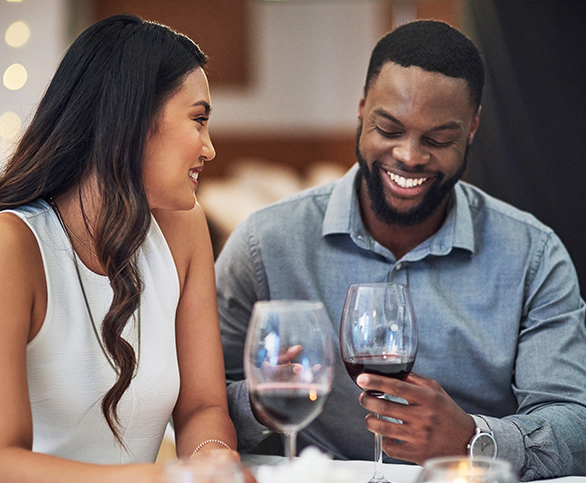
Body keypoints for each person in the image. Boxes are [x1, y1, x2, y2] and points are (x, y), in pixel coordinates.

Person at [216, 19, 586, 481]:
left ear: (471, 131)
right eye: (388, 129)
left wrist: (473, 438)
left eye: (437, 139)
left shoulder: (533, 256)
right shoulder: (263, 244)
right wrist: (259, 403)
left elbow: (576, 423)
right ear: (361, 111)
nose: (409, 156)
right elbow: (199, 404)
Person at [0, 14, 248, 483]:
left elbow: (203, 406)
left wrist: (212, 457)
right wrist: (170, 479)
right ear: (131, 120)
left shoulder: (183, 227)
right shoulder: (4, 249)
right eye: (198, 120)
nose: (209, 148)